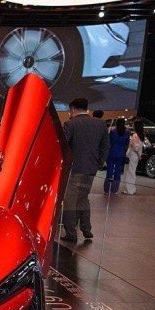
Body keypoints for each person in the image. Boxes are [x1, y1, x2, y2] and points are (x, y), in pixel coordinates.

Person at [61, 98, 109, 242]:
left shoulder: (70, 124)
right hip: (91, 169)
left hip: (74, 169)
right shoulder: (100, 124)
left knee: (70, 201)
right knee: (83, 198)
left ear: (73, 109)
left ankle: (71, 234)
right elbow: (105, 146)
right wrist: (98, 163)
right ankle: (86, 229)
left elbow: (62, 146)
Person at [104, 118, 130, 194]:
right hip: (121, 154)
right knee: (117, 173)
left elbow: (109, 142)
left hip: (112, 153)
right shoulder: (127, 132)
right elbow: (127, 143)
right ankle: (114, 190)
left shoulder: (112, 132)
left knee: (109, 171)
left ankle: (107, 189)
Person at [124, 120, 147, 195]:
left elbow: (135, 147)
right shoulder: (141, 135)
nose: (132, 125)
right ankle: (131, 189)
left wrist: (138, 154)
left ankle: (129, 190)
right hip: (136, 156)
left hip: (133, 155)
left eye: (133, 124)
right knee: (132, 172)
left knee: (130, 172)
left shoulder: (135, 135)